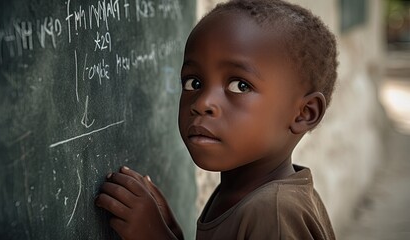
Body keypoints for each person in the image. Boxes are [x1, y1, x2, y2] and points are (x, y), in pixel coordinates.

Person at [95, 0, 338, 239]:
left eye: (240, 85)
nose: (202, 103)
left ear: (304, 113)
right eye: (194, 83)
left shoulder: (272, 212)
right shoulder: (238, 194)